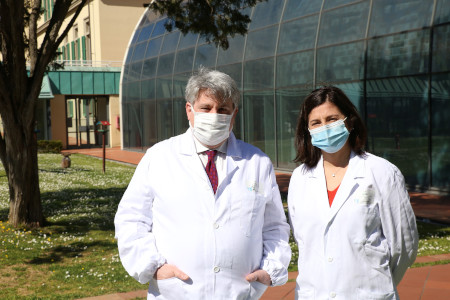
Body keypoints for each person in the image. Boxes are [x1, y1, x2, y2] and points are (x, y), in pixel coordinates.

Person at [115, 68, 291, 299]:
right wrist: (154, 268)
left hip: (239, 292)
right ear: (189, 110)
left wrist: (270, 270)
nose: (215, 115)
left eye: (223, 109)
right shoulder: (159, 157)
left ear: (234, 114)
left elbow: (274, 226)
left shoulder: (257, 162)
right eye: (206, 108)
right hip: (177, 292)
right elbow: (131, 219)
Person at [288, 86, 418, 299]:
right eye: (316, 123)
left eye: (332, 119)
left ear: (349, 121)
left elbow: (403, 246)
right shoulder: (300, 178)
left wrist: (376, 284)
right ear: (307, 130)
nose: (325, 127)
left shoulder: (381, 172)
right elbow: (303, 241)